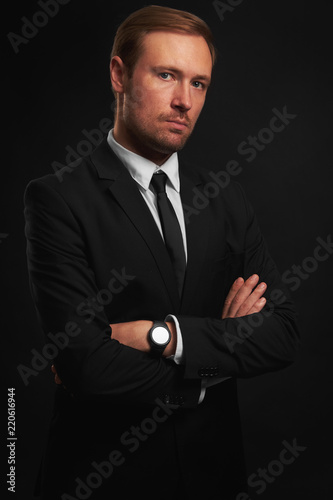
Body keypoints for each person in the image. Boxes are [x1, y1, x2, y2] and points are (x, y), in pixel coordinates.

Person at [24, 5, 300, 500]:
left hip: (215, 476)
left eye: (198, 84)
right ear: (119, 74)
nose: (184, 101)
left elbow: (282, 334)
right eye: (167, 75)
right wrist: (215, 362)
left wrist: (163, 335)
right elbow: (84, 365)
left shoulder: (224, 197)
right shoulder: (58, 199)